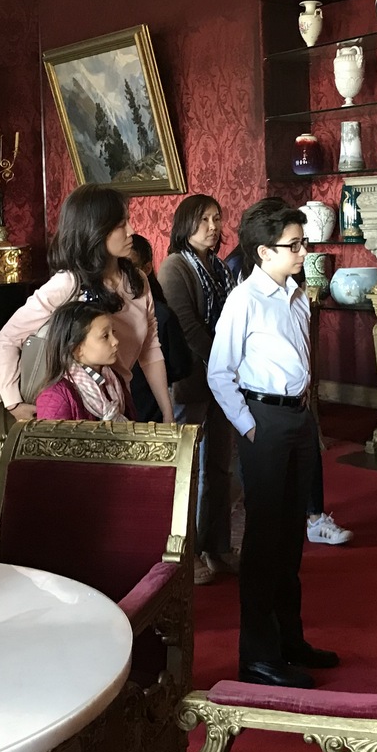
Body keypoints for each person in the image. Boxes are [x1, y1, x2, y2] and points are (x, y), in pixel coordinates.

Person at [208, 199, 338, 689]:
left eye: (303, 243)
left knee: (290, 537)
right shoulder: (244, 300)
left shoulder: (297, 295)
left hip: (297, 418)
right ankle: (258, 657)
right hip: (263, 420)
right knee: (264, 541)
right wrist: (247, 425)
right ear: (264, 251)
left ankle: (289, 640)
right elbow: (219, 372)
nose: (304, 252)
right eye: (294, 245)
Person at [0, 184, 173, 421]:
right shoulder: (68, 283)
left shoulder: (137, 280)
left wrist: (168, 413)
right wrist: (13, 403)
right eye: (121, 225)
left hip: (119, 401)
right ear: (96, 230)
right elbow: (8, 337)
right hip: (77, 408)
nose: (131, 231)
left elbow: (150, 349)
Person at [158, 194, 240, 585]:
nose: (212, 226)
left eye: (216, 218)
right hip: (193, 380)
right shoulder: (175, 266)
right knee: (187, 470)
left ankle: (216, 546)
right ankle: (184, 554)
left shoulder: (220, 267)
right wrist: (222, 363)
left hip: (222, 380)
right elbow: (186, 326)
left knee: (219, 468)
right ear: (185, 224)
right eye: (204, 219)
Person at [34, 301, 136, 421]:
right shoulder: (55, 397)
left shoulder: (115, 380)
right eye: (105, 336)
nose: (115, 341)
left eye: (113, 332)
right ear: (77, 349)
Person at [127, 232, 192, 423]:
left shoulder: (161, 314)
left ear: (146, 268)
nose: (122, 274)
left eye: (129, 266)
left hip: (151, 409)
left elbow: (181, 366)